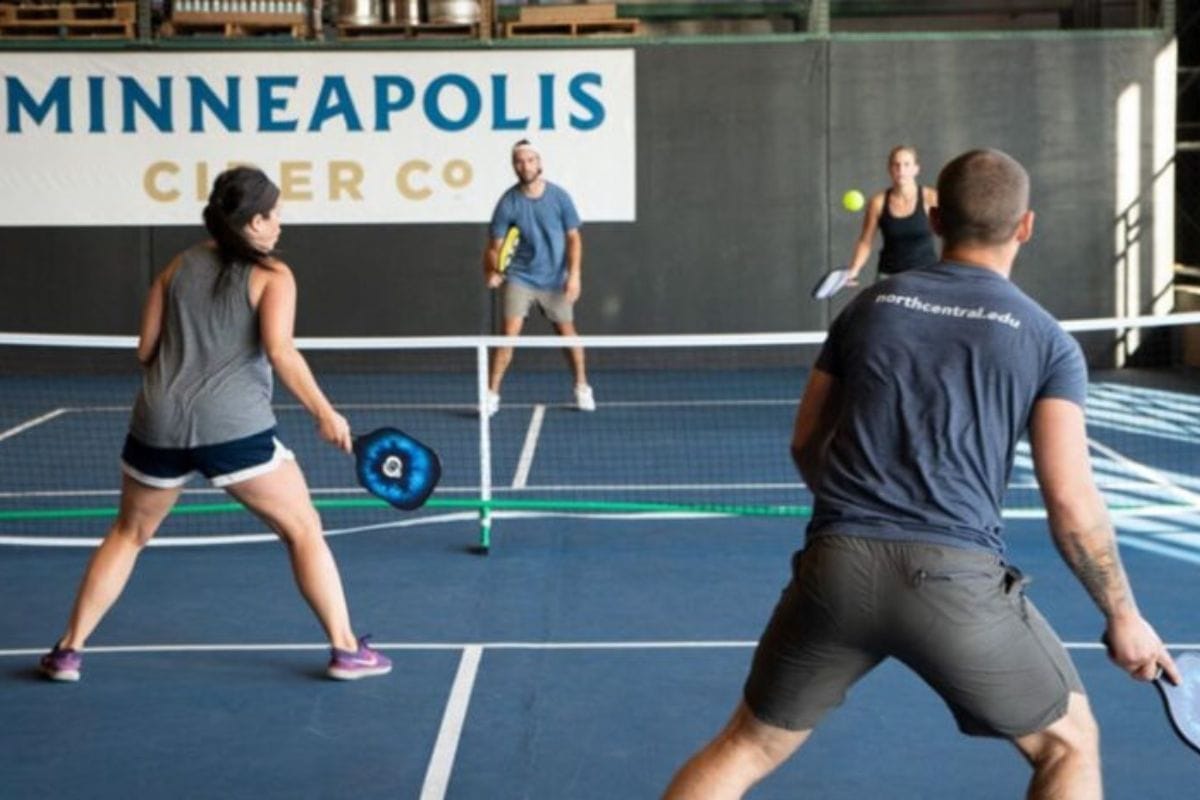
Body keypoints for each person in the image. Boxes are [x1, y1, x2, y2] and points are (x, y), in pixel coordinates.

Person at [663, 149, 1178, 799]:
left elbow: (804, 442)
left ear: (935, 218)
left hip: (837, 565)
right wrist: (1124, 616)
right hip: (954, 579)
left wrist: (855, 523)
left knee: (745, 745)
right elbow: (1071, 500)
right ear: (1026, 227)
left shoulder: (870, 307)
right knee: (1068, 746)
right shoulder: (1048, 341)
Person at [39, 167, 391, 683]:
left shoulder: (177, 266)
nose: (279, 226)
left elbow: (144, 351)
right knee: (303, 529)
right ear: (251, 222)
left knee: (129, 533)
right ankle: (345, 649)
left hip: (157, 424)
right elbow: (281, 352)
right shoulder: (273, 276)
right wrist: (325, 412)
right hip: (234, 429)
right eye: (272, 216)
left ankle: (67, 651)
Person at [482, 139, 595, 417]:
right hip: (521, 277)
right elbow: (494, 246)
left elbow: (574, 239)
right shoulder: (508, 202)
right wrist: (492, 271)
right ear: (514, 166)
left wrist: (575, 275)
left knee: (568, 337)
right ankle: (491, 395)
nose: (525, 165)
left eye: (530, 160)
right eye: (520, 161)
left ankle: (582, 387)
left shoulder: (559, 197)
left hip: (555, 279)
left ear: (539, 163)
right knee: (507, 337)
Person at [845, 145, 939, 285]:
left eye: (907, 165)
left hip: (926, 276)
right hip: (889, 277)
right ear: (890, 169)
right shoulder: (878, 202)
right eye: (896, 165)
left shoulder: (931, 198)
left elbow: (953, 233)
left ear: (916, 169)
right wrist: (854, 269)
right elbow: (865, 241)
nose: (901, 170)